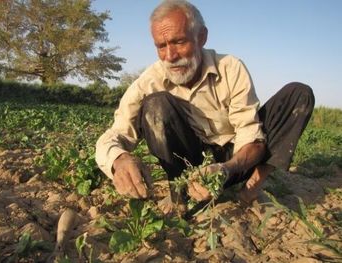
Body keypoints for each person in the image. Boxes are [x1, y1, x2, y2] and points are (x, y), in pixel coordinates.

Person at [95, 0, 314, 213]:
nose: (170, 56)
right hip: (189, 162)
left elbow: (251, 137)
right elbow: (115, 134)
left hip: (233, 160)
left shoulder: (230, 67)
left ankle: (253, 186)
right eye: (161, 46)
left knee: (299, 94)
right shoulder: (150, 81)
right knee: (156, 104)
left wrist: (225, 169)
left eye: (179, 42)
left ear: (201, 37)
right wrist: (119, 159)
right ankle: (180, 193)